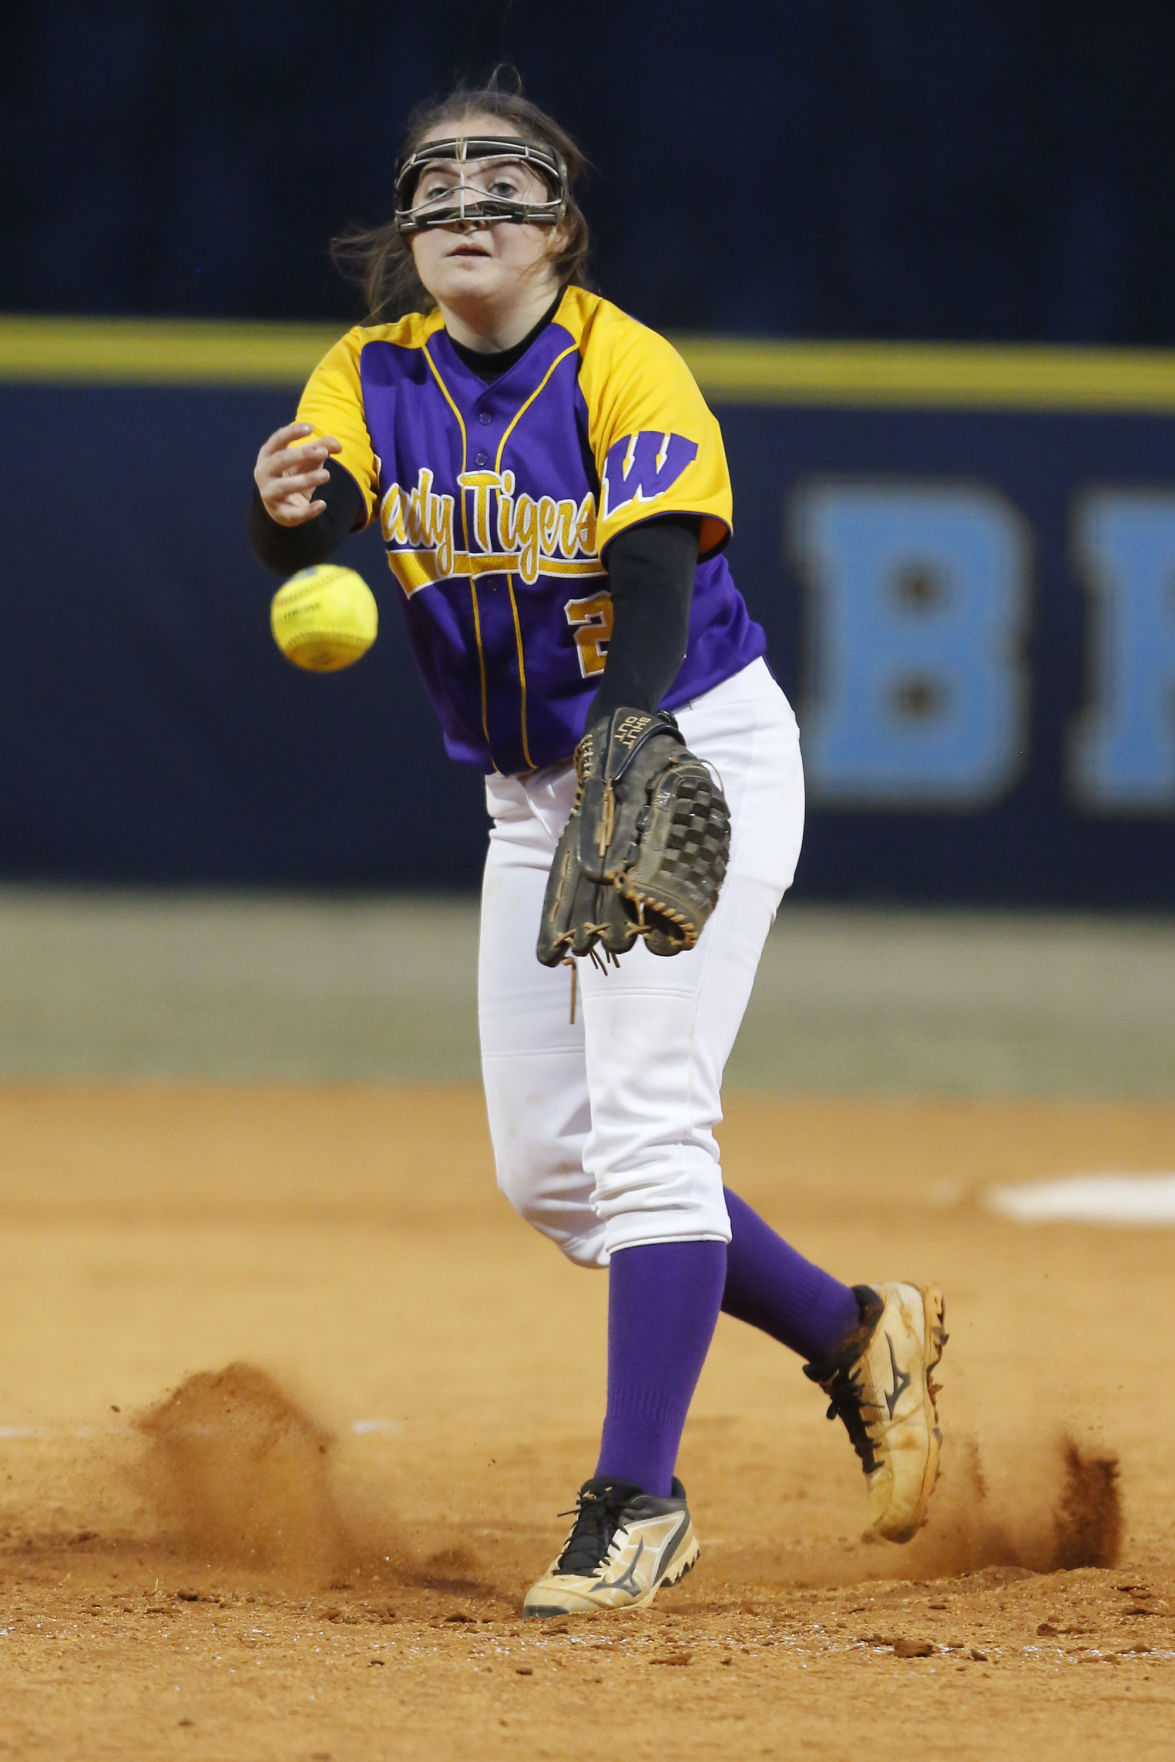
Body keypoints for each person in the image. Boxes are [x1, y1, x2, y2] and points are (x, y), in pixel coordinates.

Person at [249, 76, 947, 1620]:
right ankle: (854, 1332)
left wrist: (631, 732)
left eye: (503, 186)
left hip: (689, 749)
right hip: (531, 793)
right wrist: (285, 515)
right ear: (408, 233)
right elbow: (323, 517)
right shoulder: (371, 371)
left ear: (562, 226)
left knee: (646, 1127)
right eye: (435, 188)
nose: (464, 211)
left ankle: (639, 1500)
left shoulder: (625, 366)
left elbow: (645, 563)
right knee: (556, 1172)